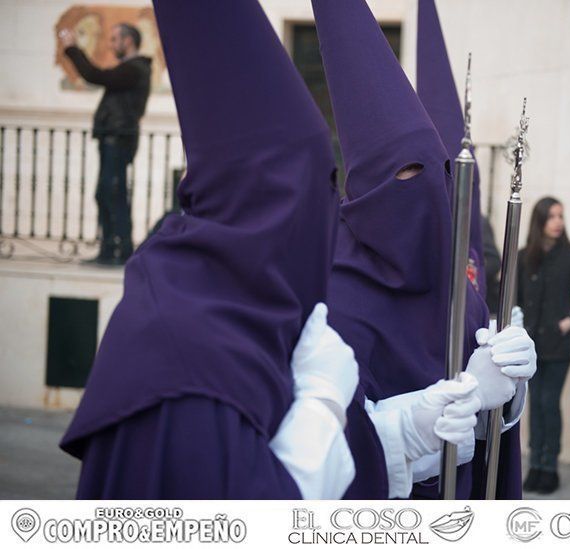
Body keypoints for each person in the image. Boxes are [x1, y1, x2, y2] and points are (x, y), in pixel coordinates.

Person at [60, 0, 481, 499]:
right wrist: (325, 403)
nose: (323, 208)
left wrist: (406, 430)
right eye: (314, 184)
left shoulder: (250, 310)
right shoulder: (182, 349)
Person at [313, 0, 535, 500]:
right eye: (397, 178)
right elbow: (322, 456)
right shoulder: (335, 297)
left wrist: (511, 385)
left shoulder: (461, 289)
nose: (417, 191)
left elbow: (487, 431)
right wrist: (415, 427)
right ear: (362, 197)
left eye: (427, 172)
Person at [517, 197, 570, 494]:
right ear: (539, 222)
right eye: (551, 216)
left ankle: (550, 467)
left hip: (560, 346)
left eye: (561, 216)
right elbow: (516, 299)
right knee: (535, 404)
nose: (558, 222)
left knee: (550, 403)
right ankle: (535, 464)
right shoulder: (525, 256)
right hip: (532, 347)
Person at [60, 23, 151, 265]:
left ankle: (121, 250)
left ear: (128, 41)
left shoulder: (136, 69)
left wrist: (72, 49)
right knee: (106, 193)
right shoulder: (131, 70)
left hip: (118, 140)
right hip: (112, 138)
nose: (110, 45)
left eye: (114, 39)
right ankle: (110, 249)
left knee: (113, 193)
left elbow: (95, 76)